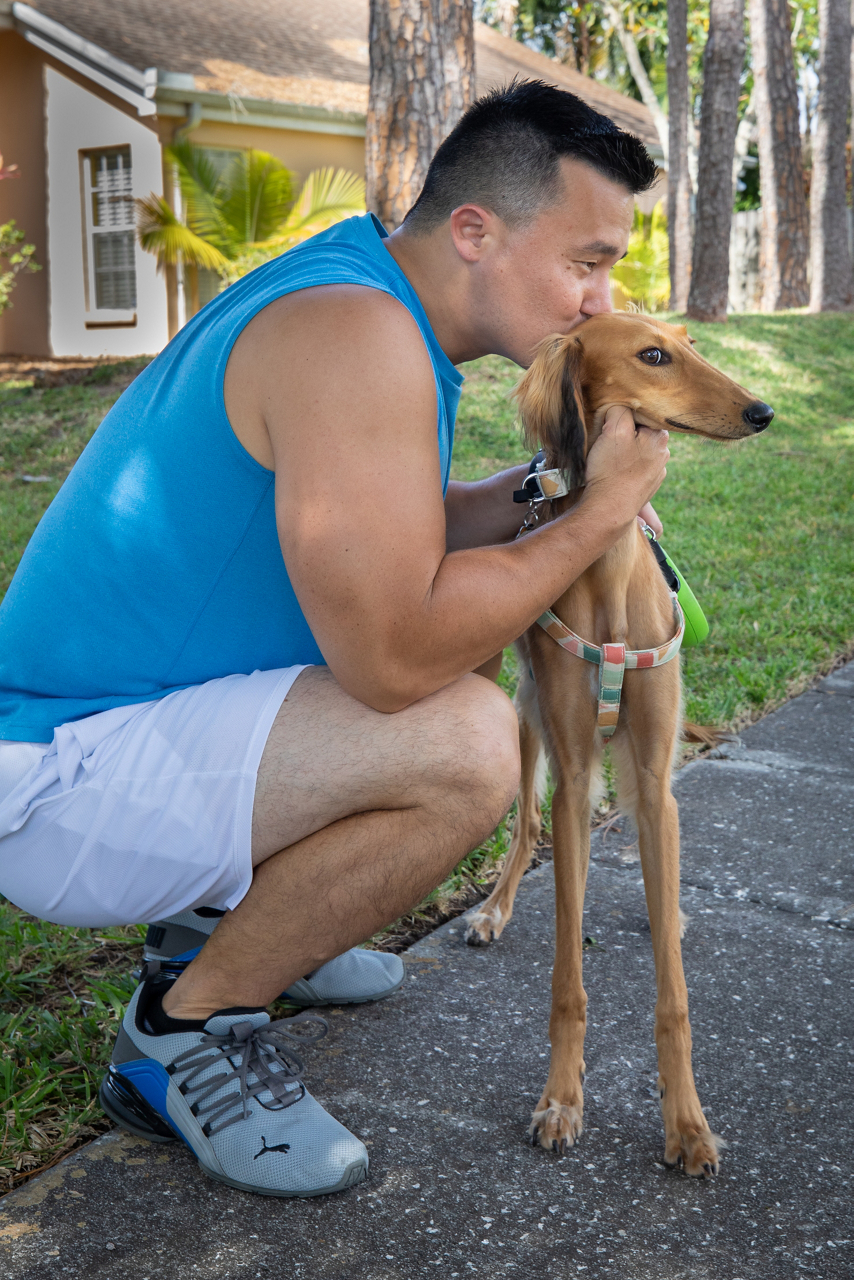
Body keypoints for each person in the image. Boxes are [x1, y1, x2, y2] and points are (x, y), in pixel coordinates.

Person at [0, 80, 669, 1197]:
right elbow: (394, 658)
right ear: (475, 232)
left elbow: (381, 528)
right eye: (585, 263)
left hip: (110, 724)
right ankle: (186, 1027)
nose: (601, 302)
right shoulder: (357, 334)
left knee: (450, 651)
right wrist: (598, 518)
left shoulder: (359, 290)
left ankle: (234, 926)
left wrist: (542, 492)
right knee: (462, 738)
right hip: (58, 778)